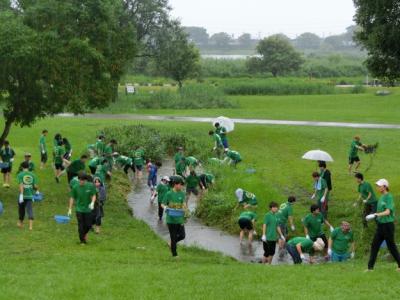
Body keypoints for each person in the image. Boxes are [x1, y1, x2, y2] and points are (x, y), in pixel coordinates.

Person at [365, 179, 400, 271]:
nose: (377, 188)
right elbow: (380, 212)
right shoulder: (380, 198)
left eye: (379, 186)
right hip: (381, 226)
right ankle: (370, 268)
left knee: (391, 247)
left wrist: (376, 214)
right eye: (377, 186)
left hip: (388, 225)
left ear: (385, 187)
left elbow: (388, 212)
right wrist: (373, 215)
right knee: (374, 245)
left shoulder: (389, 197)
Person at [162, 176, 187, 257]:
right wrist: (165, 207)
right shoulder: (169, 194)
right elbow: (163, 204)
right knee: (173, 236)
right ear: (175, 185)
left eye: (182, 185)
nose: (182, 186)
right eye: (180, 185)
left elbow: (183, 204)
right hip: (171, 219)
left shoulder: (182, 194)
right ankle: (175, 255)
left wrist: (185, 209)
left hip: (179, 219)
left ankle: (171, 243)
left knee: (182, 235)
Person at [68, 173, 96, 244]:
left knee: (89, 225)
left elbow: (93, 195)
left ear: (86, 180)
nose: (81, 182)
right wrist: (70, 209)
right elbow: (72, 198)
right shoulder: (75, 187)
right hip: (79, 209)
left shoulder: (90, 186)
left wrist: (92, 202)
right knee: (81, 225)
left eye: (83, 180)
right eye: (80, 180)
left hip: (88, 209)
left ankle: (83, 235)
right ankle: (82, 241)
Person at [17, 161, 39, 230]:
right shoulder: (33, 175)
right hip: (30, 196)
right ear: (28, 167)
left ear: (22, 167)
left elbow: (21, 185)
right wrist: (37, 191)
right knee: (29, 210)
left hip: (23, 196)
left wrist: (21, 194)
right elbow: (35, 186)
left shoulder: (20, 175)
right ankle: (30, 227)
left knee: (21, 209)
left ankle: (21, 223)